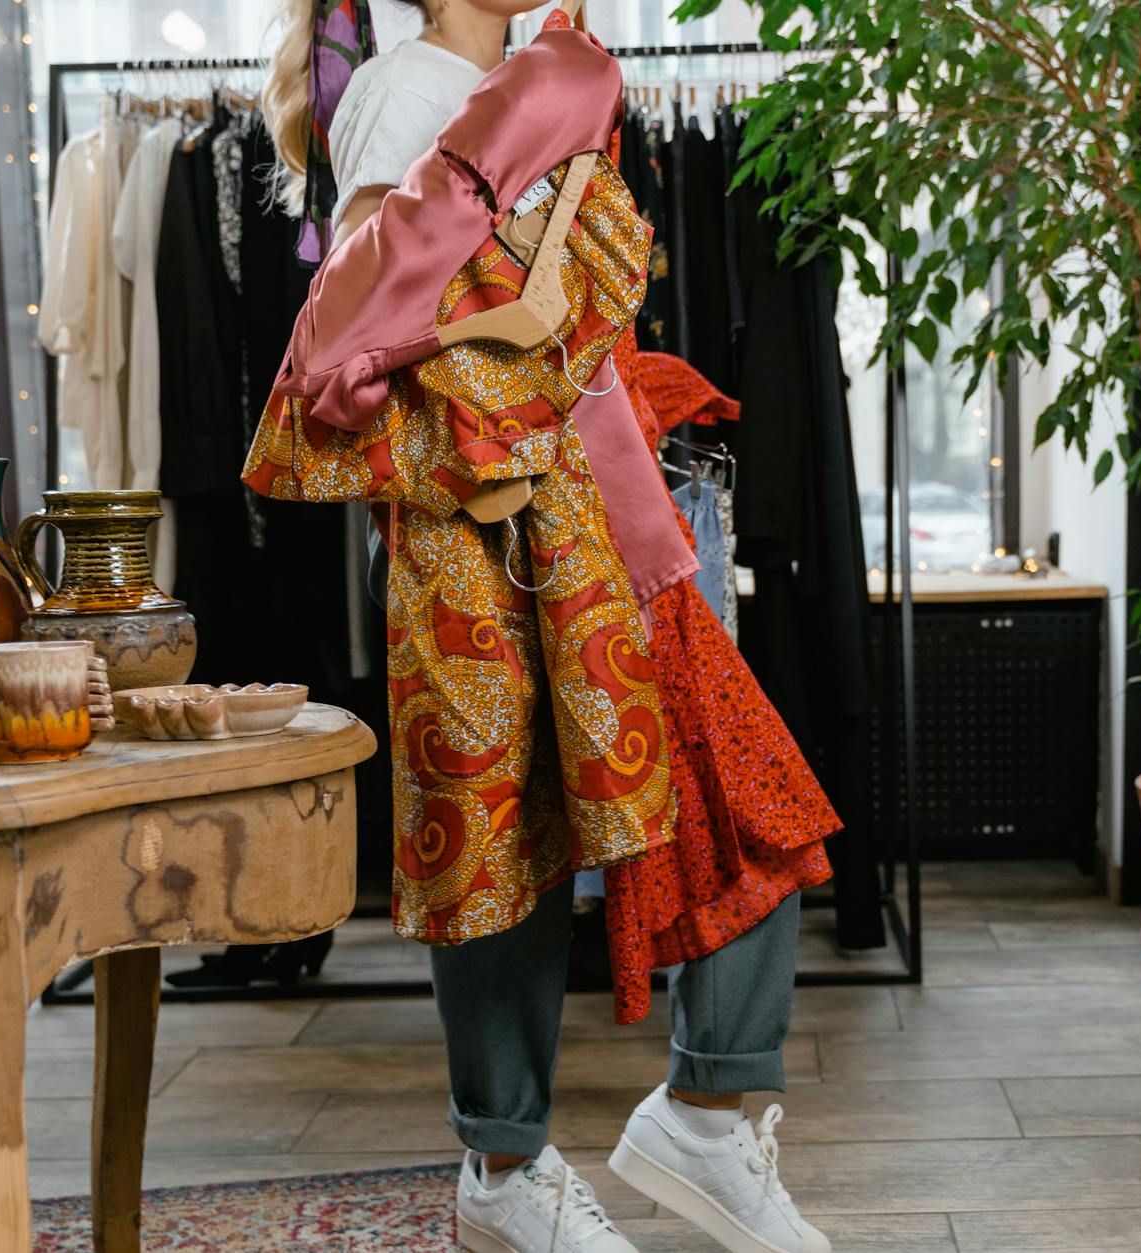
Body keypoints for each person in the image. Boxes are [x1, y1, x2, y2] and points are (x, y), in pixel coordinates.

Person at [260, 4, 832, 1252]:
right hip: (494, 532)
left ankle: (699, 1113)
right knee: (502, 837)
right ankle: (511, 1168)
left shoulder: (512, 81)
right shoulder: (413, 92)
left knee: (736, 792)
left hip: (599, 513)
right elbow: (353, 329)